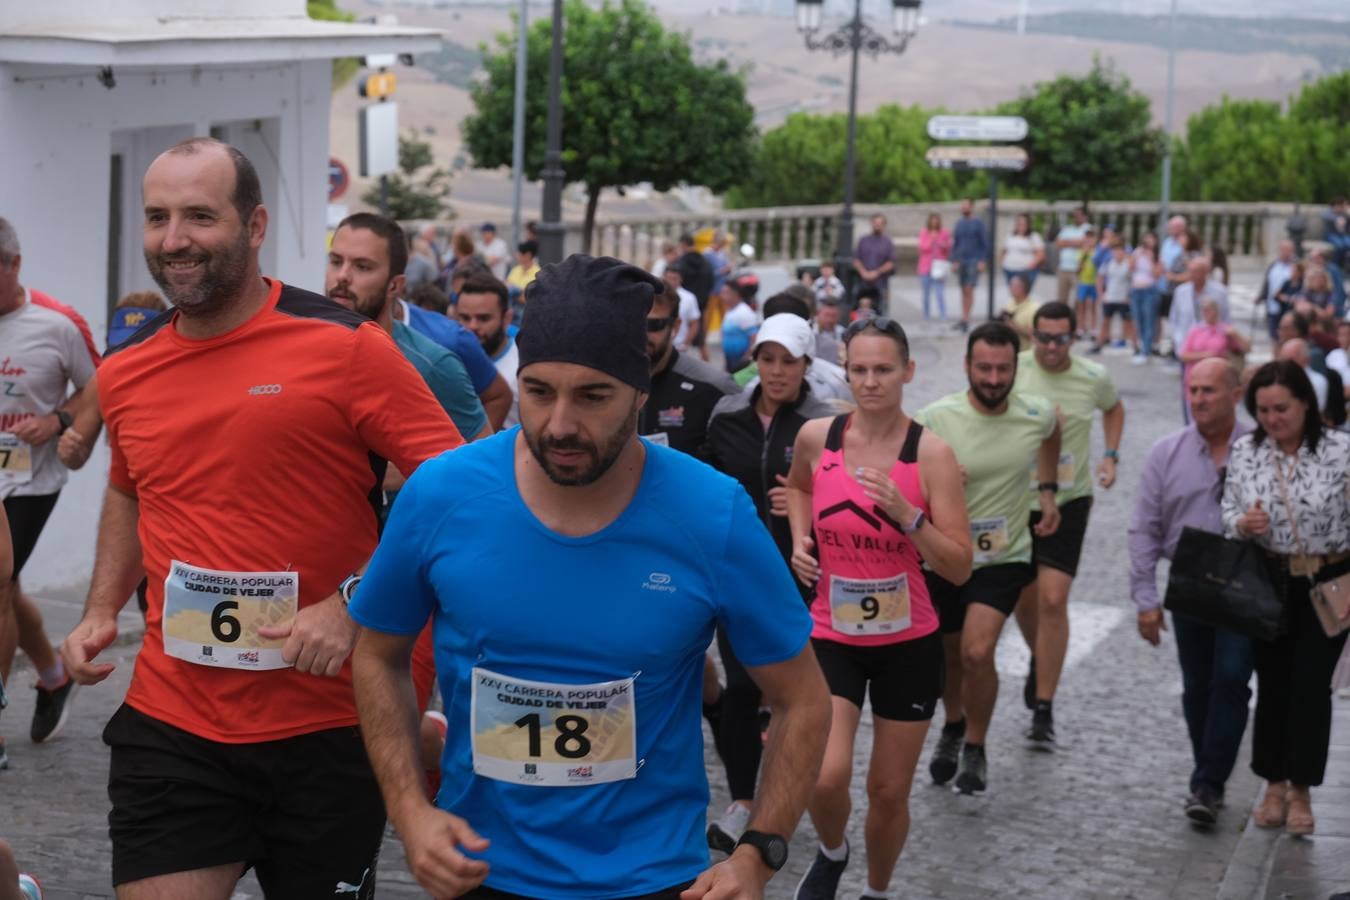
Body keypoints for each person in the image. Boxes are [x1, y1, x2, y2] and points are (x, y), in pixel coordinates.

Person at [348, 254, 832, 899]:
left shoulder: (710, 512)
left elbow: (803, 699)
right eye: (540, 391)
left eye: (594, 396)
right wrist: (409, 812)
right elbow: (378, 657)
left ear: (640, 390)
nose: (560, 425)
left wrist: (758, 854)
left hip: (654, 879)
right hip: (483, 872)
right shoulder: (442, 493)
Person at [58, 137, 464, 897]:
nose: (173, 240)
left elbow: (453, 489)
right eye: (157, 217)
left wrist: (354, 604)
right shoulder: (128, 369)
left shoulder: (346, 347)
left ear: (254, 226)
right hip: (174, 719)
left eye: (199, 216)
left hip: (329, 718)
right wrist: (98, 610)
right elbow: (129, 488)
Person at [786, 316, 971, 900]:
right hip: (832, 634)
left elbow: (960, 566)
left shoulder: (932, 455)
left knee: (888, 791)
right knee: (825, 774)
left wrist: (909, 517)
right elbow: (797, 486)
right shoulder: (819, 437)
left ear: (907, 372)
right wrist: (798, 541)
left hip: (908, 644)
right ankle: (833, 850)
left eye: (883, 370)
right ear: (845, 369)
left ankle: (878, 889)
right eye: (859, 369)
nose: (870, 382)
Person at [701, 314, 836, 855]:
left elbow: (849, 501)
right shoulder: (727, 413)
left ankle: (786, 791)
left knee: (792, 693)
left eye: (789, 361)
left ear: (807, 366)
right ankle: (740, 801)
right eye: (768, 359)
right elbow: (708, 485)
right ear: (754, 360)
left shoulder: (822, 422)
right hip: (738, 573)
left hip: (802, 575)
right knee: (740, 689)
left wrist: (807, 502)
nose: (777, 371)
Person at [917, 322, 1062, 795]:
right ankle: (954, 724)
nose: (994, 378)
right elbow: (904, 476)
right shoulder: (935, 419)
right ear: (966, 367)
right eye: (984, 368)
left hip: (1005, 555)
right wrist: (937, 479)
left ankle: (975, 747)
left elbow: (1052, 434)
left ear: (1017, 368)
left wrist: (1047, 490)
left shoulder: (1036, 413)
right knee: (948, 658)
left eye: (1003, 369)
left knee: (978, 651)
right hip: (946, 554)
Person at [1222, 360, 1350, 837]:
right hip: (1268, 576)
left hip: (1329, 581)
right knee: (1273, 682)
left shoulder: (1340, 450)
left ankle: (1302, 788)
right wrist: (1242, 524)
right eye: (1263, 410)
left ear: (1305, 405)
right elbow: (1227, 510)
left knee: (1312, 685)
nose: (1273, 419)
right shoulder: (1247, 450)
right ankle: (1272, 783)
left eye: (1282, 409)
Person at [1129, 357, 1254, 825]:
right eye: (1193, 390)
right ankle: (1208, 770)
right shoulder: (1166, 452)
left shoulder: (1258, 449)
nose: (1198, 399)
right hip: (1191, 580)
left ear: (1235, 393)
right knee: (1198, 685)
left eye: (1209, 390)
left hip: (1245, 581)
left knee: (1233, 678)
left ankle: (1208, 782)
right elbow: (1144, 527)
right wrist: (1146, 599)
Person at [0, 217, 100, 762]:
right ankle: (53, 675)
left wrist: (59, 423)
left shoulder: (57, 323)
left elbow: (100, 387)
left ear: (13, 264)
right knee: (6, 591)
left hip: (28, 480)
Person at [1012, 303, 1124, 747]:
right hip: (1015, 498)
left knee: (1054, 600)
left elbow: (1115, 410)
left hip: (1069, 497)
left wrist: (1110, 457)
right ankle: (1041, 658)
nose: (1052, 347)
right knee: (1025, 598)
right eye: (1044, 337)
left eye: (1060, 339)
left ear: (1074, 338)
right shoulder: (1014, 370)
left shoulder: (1093, 377)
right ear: (1032, 335)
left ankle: (1044, 708)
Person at [327, 213, 490, 442]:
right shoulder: (303, 345)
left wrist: (409, 473)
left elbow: (481, 458)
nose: (342, 276)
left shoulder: (432, 365)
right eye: (335, 262)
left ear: (395, 285)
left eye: (362, 267)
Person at [641, 284, 741, 456]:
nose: (643, 334)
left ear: (676, 326)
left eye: (654, 325)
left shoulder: (715, 387)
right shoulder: (605, 380)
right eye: (634, 323)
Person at [458, 273, 523, 429]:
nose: (472, 326)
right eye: (465, 318)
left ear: (506, 319)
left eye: (483, 318)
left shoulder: (523, 366)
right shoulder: (446, 358)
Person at [1179, 297, 1249, 402]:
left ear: (1216, 311)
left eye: (1208, 310)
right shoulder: (1196, 330)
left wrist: (1235, 335)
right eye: (1204, 310)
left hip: (1217, 377)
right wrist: (1204, 355)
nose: (1206, 313)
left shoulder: (1226, 330)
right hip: (1195, 375)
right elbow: (1183, 355)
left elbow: (1246, 348)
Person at [1168, 257, 1230, 356]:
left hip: (1211, 348)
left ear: (1205, 272)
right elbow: (1174, 318)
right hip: (1186, 345)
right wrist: (1177, 338)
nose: (1192, 275)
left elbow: (1226, 319)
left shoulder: (1220, 292)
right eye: (1190, 271)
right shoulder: (1181, 291)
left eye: (1196, 271)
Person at [952, 199, 990, 333]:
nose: (964, 208)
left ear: (971, 207)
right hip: (961, 260)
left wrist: (983, 261)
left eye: (966, 206)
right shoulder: (959, 223)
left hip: (973, 260)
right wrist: (954, 260)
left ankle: (967, 318)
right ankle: (964, 317)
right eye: (962, 206)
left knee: (969, 289)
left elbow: (984, 242)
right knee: (963, 290)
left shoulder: (978, 223)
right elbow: (956, 243)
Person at [1092, 237, 1134, 353]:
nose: (1117, 253)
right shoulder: (1108, 263)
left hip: (1123, 298)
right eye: (1115, 251)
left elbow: (1133, 280)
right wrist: (1101, 294)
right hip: (1110, 297)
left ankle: (1131, 344)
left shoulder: (1128, 264)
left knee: (1128, 322)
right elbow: (1100, 278)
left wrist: (1130, 296)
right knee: (1105, 321)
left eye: (1120, 250)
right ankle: (1099, 344)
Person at [1129, 232, 1163, 363]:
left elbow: (1156, 274)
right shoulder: (1138, 252)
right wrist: (1137, 256)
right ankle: (1141, 346)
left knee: (1149, 321)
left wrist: (1150, 258)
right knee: (1139, 320)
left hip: (1149, 291)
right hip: (1136, 290)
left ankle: (1146, 351)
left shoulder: (1157, 256)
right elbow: (1131, 268)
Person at [1257, 240, 1298, 341]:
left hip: (1287, 307)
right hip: (1272, 306)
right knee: (1274, 335)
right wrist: (1261, 296)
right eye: (1283, 250)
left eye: (1288, 250)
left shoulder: (1296, 266)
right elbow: (1267, 283)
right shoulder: (1273, 265)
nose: (1285, 253)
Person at [853, 215, 895, 313]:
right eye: (876, 223)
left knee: (882, 312)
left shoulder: (887, 242)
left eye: (880, 224)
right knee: (860, 311)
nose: (877, 226)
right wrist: (863, 272)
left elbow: (891, 262)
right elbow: (856, 259)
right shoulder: (863, 240)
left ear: (884, 225)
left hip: (880, 283)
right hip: (863, 282)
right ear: (871, 223)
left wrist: (876, 272)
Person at [721, 277, 760, 374]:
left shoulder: (744, 312)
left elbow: (754, 339)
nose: (722, 296)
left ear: (735, 294)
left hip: (742, 364)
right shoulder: (729, 311)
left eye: (726, 292)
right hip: (731, 362)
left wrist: (745, 360)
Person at [917, 213, 951, 322]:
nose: (934, 222)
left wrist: (941, 243)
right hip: (925, 266)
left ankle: (943, 314)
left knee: (939, 292)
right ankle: (926, 314)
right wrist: (932, 240)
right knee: (926, 293)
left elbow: (948, 248)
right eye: (932, 220)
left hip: (939, 266)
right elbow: (922, 248)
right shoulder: (924, 232)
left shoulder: (944, 232)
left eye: (936, 220)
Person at [661, 265, 702, 353]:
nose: (672, 282)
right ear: (664, 277)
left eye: (675, 278)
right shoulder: (657, 296)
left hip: (679, 347)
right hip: (661, 347)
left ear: (681, 279)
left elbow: (694, 323)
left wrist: (686, 343)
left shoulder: (689, 298)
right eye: (669, 278)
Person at [1054, 206, 1089, 306]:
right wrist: (1076, 242)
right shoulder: (1067, 228)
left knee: (1079, 300)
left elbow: (1085, 242)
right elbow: (1057, 243)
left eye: (1078, 215)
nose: (1075, 218)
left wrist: (1066, 242)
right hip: (1063, 268)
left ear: (1085, 216)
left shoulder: (1088, 228)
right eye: (1073, 216)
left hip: (1079, 269)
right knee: (1061, 299)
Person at [1000, 212, 1044, 292]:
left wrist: (1030, 266)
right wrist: (1003, 263)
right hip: (1009, 269)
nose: (1020, 225)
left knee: (1023, 292)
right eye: (1018, 223)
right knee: (1013, 292)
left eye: (1023, 223)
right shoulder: (1010, 236)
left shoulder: (1033, 236)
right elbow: (1004, 251)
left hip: (1024, 270)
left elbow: (1040, 254)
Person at [999, 275, 1039, 351]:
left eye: (1014, 286)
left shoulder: (1034, 308)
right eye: (1010, 285)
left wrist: (1015, 327)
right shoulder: (1009, 303)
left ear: (1024, 287)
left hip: (1024, 351)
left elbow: (1037, 335)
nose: (1010, 288)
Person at [1074, 226, 1099, 340]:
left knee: (1093, 306)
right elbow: (1078, 270)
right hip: (1083, 282)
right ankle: (1080, 328)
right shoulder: (1081, 252)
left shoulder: (1097, 252)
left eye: (1091, 238)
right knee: (1081, 306)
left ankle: (1093, 329)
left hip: (1094, 282)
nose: (1089, 241)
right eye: (1087, 238)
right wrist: (1084, 255)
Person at [813, 296, 846, 366]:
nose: (830, 320)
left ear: (839, 316)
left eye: (833, 316)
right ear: (818, 314)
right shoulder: (810, 332)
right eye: (826, 315)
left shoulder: (844, 333)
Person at [705, 230, 733, 297]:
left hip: (723, 289)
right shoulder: (708, 254)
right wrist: (723, 271)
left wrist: (729, 269)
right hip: (713, 290)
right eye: (722, 244)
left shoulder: (722, 253)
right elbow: (707, 273)